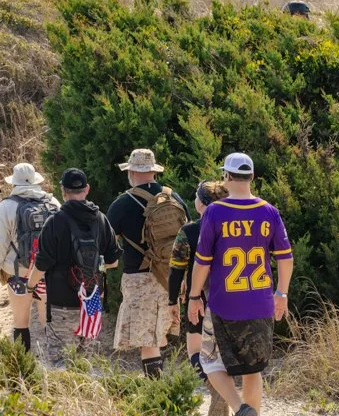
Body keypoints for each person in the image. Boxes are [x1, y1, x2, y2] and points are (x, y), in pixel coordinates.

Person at [188, 153, 294, 416]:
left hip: (224, 304)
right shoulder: (269, 211)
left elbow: (202, 262)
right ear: (252, 177)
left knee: (210, 362)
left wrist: (193, 296)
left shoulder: (214, 212)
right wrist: (281, 292)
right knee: (252, 369)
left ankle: (239, 407)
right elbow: (285, 258)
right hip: (260, 304)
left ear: (226, 177)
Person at [106, 148, 189, 377]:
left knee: (148, 340)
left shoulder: (122, 203)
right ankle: (161, 386)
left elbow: (107, 242)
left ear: (131, 171)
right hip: (170, 276)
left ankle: (156, 392)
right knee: (159, 334)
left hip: (140, 277)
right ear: (153, 171)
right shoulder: (174, 197)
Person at [25, 168, 121, 362]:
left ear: (63, 190)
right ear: (87, 189)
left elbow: (42, 263)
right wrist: (94, 268)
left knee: (60, 362)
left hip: (61, 302)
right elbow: (113, 261)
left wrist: (30, 285)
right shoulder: (101, 219)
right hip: (92, 301)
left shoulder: (55, 222)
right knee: (87, 361)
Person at [0, 162, 60, 351]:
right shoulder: (53, 203)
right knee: (48, 319)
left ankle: (23, 365)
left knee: (20, 321)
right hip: (48, 271)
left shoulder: (6, 206)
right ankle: (53, 366)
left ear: (14, 183)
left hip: (18, 271)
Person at [170, 180, 229, 413]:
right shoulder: (234, 228)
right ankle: (225, 392)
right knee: (225, 353)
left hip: (199, 299)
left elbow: (176, 269)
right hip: (232, 297)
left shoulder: (190, 230)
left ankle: (215, 390)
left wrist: (171, 301)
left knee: (196, 351)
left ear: (202, 203)